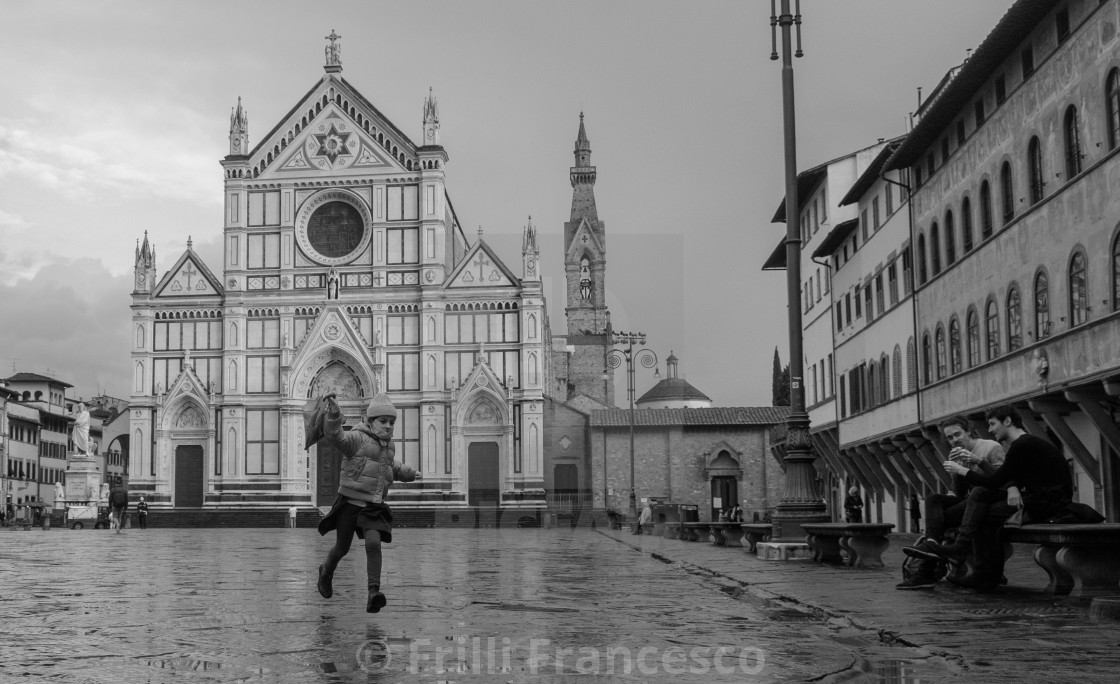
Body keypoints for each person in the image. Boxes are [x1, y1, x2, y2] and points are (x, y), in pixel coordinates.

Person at [913, 405, 1072, 592]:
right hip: (1037, 499)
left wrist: (966, 468)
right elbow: (1004, 479)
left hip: (1046, 504)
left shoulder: (1021, 445)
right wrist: (960, 469)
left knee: (980, 508)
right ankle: (970, 565)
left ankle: (974, 565)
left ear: (1007, 421)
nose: (989, 429)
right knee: (977, 497)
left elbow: (997, 479)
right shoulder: (1022, 445)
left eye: (992, 424)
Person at [314, 392, 419, 613]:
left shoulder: (389, 447)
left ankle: (374, 593)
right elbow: (336, 436)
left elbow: (392, 467)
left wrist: (409, 473)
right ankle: (326, 571)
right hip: (350, 503)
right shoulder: (357, 438)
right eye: (383, 421)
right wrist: (333, 414)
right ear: (370, 421)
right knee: (342, 548)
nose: (388, 426)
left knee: (374, 544)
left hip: (373, 504)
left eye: (391, 422)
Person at [898, 415, 1008, 590]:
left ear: (968, 431)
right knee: (933, 499)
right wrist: (956, 470)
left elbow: (1001, 481)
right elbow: (959, 492)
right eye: (949, 438)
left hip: (988, 503)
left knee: (941, 519)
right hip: (970, 502)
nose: (954, 440)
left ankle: (925, 572)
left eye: (957, 434)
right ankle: (932, 542)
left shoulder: (991, 447)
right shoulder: (958, 453)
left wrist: (970, 465)